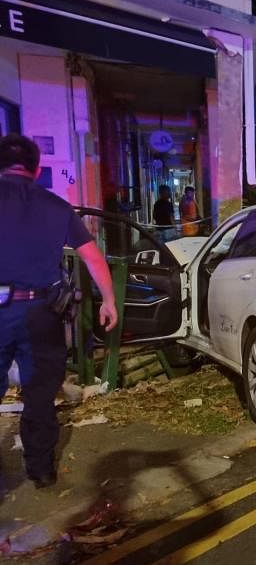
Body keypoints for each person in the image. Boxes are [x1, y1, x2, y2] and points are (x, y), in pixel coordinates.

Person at [0, 134, 118, 488]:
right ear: (36, 169)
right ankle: (41, 469)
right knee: (39, 393)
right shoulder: (56, 206)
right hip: (40, 312)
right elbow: (92, 256)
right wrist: (109, 300)